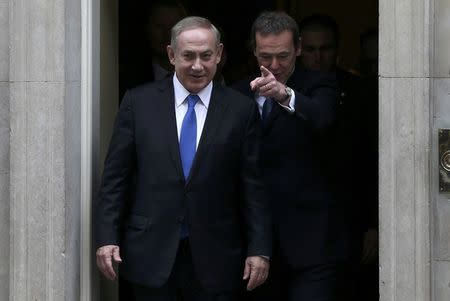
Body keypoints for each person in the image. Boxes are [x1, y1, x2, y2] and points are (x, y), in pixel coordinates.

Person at [95, 16, 271, 301]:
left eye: (206, 55)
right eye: (188, 55)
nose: (197, 65)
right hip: (150, 253)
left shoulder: (241, 110)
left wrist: (259, 248)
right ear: (171, 54)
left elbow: (253, 186)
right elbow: (116, 178)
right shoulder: (138, 103)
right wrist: (106, 238)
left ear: (219, 54)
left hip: (217, 257)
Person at [233, 11, 352, 301]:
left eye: (283, 56)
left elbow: (322, 118)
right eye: (265, 56)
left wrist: (285, 95)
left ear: (298, 48)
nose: (274, 66)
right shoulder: (236, 93)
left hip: (312, 244)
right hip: (254, 245)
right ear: (254, 50)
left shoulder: (320, 84)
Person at [298, 14, 379, 301]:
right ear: (297, 50)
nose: (318, 57)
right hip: (296, 224)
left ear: (338, 50)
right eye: (309, 49)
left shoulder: (360, 92)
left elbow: (371, 157)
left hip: (348, 217)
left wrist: (374, 223)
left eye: (326, 48)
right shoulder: (283, 91)